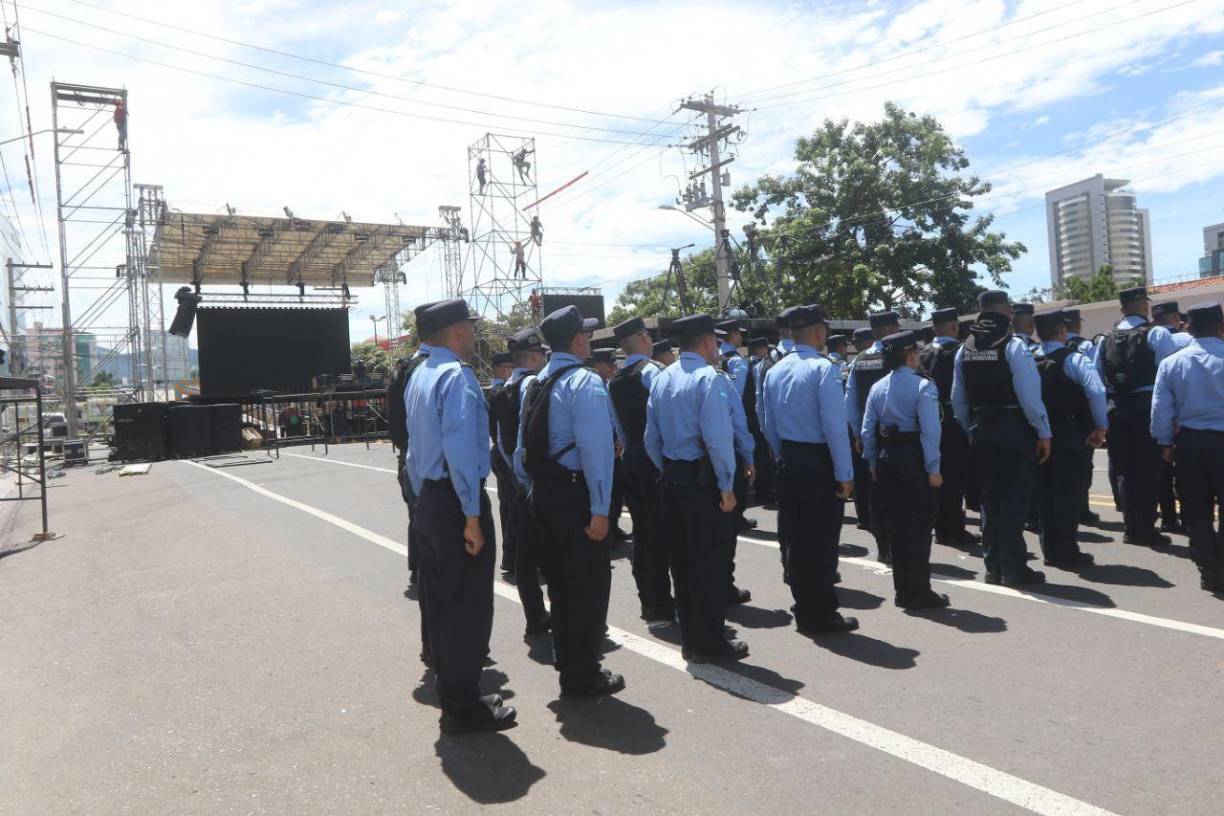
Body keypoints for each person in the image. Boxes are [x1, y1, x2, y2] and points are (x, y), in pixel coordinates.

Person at [404, 299, 515, 734]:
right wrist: (470, 515)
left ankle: (454, 697)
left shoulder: (420, 375)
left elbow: (414, 452)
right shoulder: (456, 376)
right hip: (455, 502)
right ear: (457, 332)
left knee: (442, 605)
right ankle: (463, 707)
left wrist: (424, 500)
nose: (473, 333)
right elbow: (463, 451)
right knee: (468, 607)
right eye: (470, 327)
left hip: (430, 500)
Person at [516, 306, 624, 697]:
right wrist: (600, 510)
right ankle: (583, 674)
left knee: (560, 587)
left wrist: (536, 490)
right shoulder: (585, 381)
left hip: (543, 496)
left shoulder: (535, 383)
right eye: (587, 334)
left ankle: (568, 662)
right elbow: (597, 452)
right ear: (578, 339)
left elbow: (520, 452)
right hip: (575, 495)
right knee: (588, 587)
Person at [645, 314, 749, 661]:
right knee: (710, 564)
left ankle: (691, 639)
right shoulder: (709, 378)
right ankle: (710, 643)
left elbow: (650, 439)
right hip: (703, 480)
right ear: (706, 342)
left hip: (673, 477)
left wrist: (670, 469)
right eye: (715, 342)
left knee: (682, 564)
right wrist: (726, 485)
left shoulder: (661, 378)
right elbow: (718, 438)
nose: (717, 348)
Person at [761, 304, 859, 633]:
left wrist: (782, 457)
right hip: (818, 461)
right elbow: (834, 426)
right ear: (818, 331)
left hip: (789, 458)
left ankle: (803, 605)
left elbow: (768, 424)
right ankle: (822, 613)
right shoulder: (823, 368)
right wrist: (844, 474)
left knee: (795, 537)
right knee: (821, 540)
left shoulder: (775, 370)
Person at [952, 290, 1052, 586]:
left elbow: (958, 399)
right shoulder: (1013, 345)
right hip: (1013, 429)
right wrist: (1043, 431)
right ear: (1007, 312)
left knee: (989, 500)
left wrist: (971, 427)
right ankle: (1013, 569)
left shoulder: (965, 349)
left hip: (981, 429)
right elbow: (1029, 394)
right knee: (1013, 500)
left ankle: (993, 566)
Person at [862, 330, 947, 610]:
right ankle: (920, 592)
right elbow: (930, 432)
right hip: (914, 458)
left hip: (887, 458)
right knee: (919, 527)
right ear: (911, 355)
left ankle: (902, 592)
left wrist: (872, 461)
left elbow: (867, 430)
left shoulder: (877, 387)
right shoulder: (923, 386)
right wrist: (933, 468)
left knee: (896, 528)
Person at [1151, 302, 1224, 596]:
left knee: (1197, 510)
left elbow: (1161, 409)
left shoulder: (1172, 363)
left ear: (1188, 328)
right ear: (1221, 327)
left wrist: (1164, 441)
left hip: (1190, 443)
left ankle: (1209, 570)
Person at [1097, 286, 1178, 547]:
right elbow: (1170, 377)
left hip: (1117, 408)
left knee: (1124, 470)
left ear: (1122, 309)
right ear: (1145, 306)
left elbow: (1098, 380)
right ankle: (1146, 528)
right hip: (1146, 408)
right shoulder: (1157, 334)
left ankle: (1131, 528)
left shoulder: (1106, 339)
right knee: (1148, 470)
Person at [609, 317, 675, 624]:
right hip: (654, 458)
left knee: (643, 531)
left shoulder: (615, 380)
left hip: (632, 458)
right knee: (662, 531)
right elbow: (664, 423)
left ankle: (649, 600)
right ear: (644, 338)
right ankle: (662, 602)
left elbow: (620, 430)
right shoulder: (653, 372)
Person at [1032, 308, 1108, 570]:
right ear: (1062, 330)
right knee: (1068, 495)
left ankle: (1050, 550)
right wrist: (1100, 426)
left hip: (1039, 434)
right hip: (1069, 433)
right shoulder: (1074, 359)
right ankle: (1066, 552)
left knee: (1045, 495)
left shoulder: (1029, 359)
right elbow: (1096, 391)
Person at [489, 328, 550, 634]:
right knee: (552, 550)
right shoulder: (534, 385)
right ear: (535, 357)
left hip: (514, 474)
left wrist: (515, 473)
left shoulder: (504, 390)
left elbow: (502, 441)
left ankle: (535, 618)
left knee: (524, 553)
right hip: (536, 479)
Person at [391, 301, 439, 596]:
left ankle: (417, 571)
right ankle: (427, 575)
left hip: (407, 454)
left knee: (416, 516)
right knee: (433, 520)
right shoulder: (430, 369)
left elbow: (395, 422)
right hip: (427, 457)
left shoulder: (403, 368)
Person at [918, 308, 976, 548]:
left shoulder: (921, 354)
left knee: (934, 475)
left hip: (927, 419)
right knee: (954, 478)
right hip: (953, 421)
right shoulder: (960, 352)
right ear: (954, 327)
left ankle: (939, 525)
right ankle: (952, 529)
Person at [847, 310, 900, 563]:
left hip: (871, 435)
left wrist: (859, 434)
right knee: (900, 492)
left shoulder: (859, 360)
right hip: (900, 436)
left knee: (876, 492)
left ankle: (883, 546)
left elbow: (851, 403)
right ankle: (899, 545)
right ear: (890, 330)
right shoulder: (898, 355)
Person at [1152, 301, 1190, 533]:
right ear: (1176, 318)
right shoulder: (1189, 340)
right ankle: (1189, 519)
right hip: (1188, 417)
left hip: (1162, 415)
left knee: (1163, 472)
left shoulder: (1148, 340)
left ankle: (1168, 518)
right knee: (1188, 474)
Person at [1063, 307, 1101, 526]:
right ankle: (1082, 510)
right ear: (1076, 324)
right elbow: (1095, 382)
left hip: (1056, 417)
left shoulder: (1045, 349)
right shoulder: (1085, 347)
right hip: (1081, 416)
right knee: (1083, 465)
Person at [589, 348, 629, 542]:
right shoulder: (591, 385)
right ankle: (608, 531)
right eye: (609, 365)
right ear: (598, 365)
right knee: (607, 488)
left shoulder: (609, 384)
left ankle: (614, 525)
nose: (614, 368)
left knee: (616, 487)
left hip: (614, 442)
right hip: (602, 443)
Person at [487, 351, 515, 576]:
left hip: (499, 451)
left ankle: (510, 556)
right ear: (502, 369)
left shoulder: (491, 392)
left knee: (507, 506)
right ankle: (514, 556)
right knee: (514, 507)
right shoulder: (500, 392)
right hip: (505, 453)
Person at [744, 336, 776, 506]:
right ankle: (765, 491)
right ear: (762, 349)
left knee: (756, 455)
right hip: (759, 418)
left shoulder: (746, 365)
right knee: (764, 456)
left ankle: (759, 490)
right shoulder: (763, 366)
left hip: (747, 417)